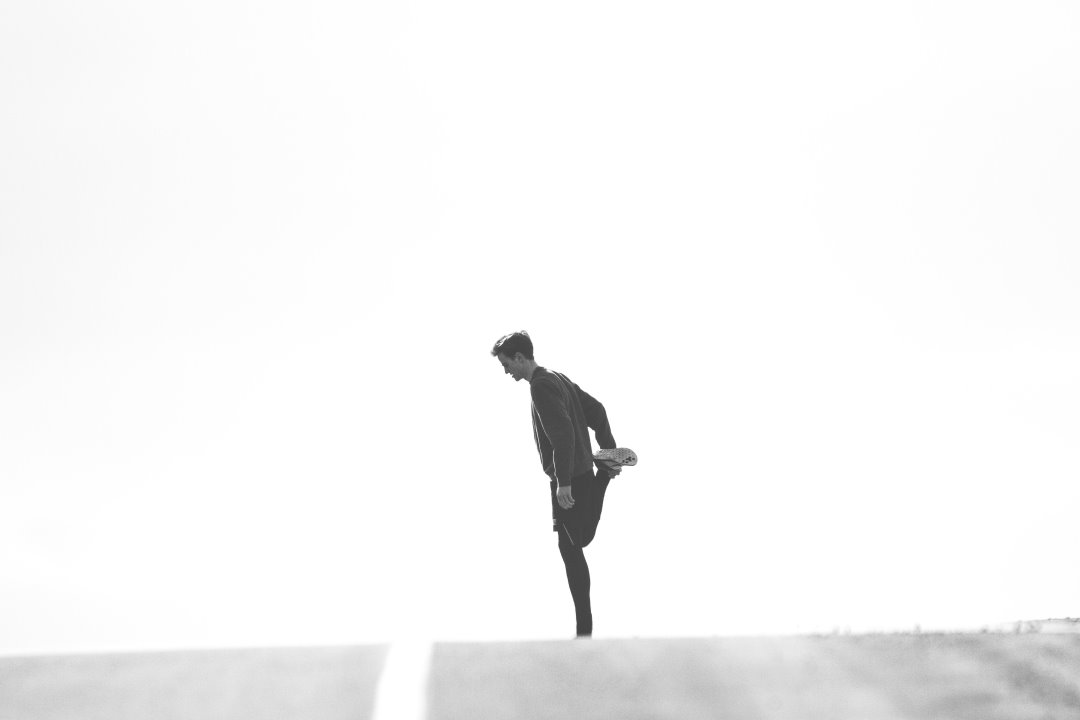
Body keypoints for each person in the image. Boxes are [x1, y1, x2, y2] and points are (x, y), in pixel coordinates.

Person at [491, 330, 621, 637]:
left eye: (506, 364)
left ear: (519, 357)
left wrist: (563, 482)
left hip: (569, 478)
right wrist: (608, 449)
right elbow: (597, 410)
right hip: (579, 472)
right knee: (578, 541)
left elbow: (562, 434)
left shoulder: (541, 385)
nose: (506, 371)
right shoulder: (557, 378)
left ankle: (584, 632)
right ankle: (604, 472)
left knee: (572, 548)